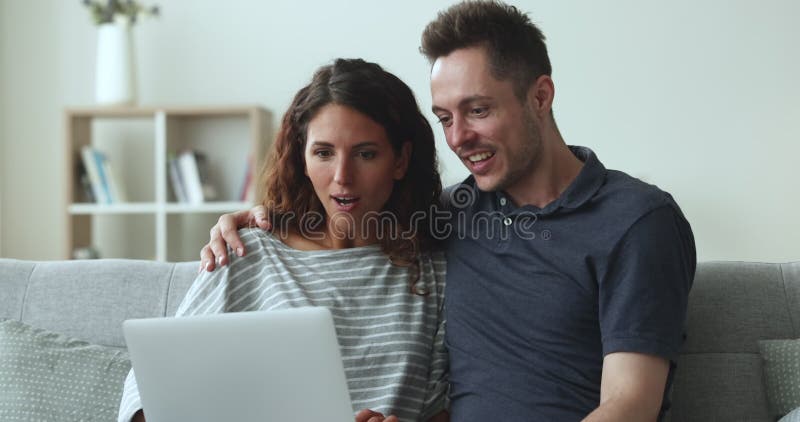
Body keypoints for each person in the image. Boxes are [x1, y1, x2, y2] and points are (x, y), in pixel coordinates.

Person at [202, 1, 696, 421]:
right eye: (445, 118)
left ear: (540, 96)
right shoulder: (449, 215)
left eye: (478, 110)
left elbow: (630, 404)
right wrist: (260, 217)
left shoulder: (635, 220)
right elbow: (352, 207)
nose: (458, 139)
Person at [117, 58, 450, 422]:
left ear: (400, 160)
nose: (342, 176)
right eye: (323, 153)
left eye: (365, 154)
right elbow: (150, 389)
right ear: (302, 159)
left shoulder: (433, 272)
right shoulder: (248, 253)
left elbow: (442, 407)